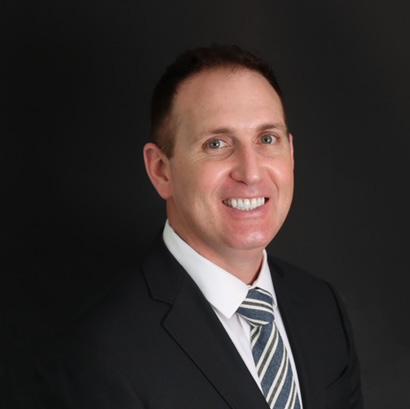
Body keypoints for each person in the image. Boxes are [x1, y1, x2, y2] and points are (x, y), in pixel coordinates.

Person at [37, 45, 364, 409]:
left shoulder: (321, 307)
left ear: (291, 153)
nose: (251, 172)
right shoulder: (101, 357)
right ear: (161, 170)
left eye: (266, 139)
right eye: (217, 144)